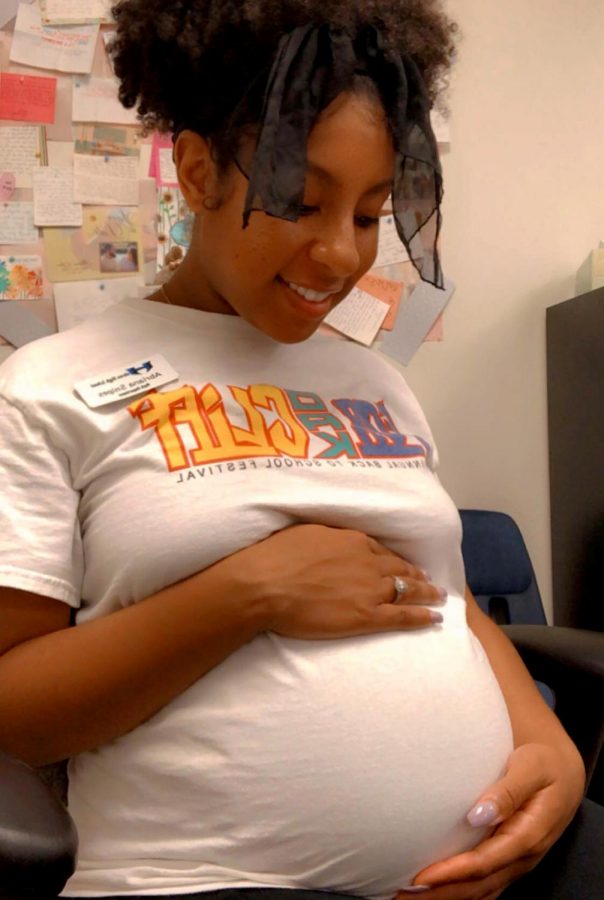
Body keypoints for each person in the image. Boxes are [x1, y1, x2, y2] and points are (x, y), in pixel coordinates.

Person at [0, 2, 592, 899]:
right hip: (201, 878)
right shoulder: (49, 385)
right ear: (198, 171)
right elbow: (14, 714)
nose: (339, 252)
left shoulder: (378, 385)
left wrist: (549, 754)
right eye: (303, 200)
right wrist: (251, 592)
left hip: (490, 863)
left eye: (368, 213)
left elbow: (450, 601)